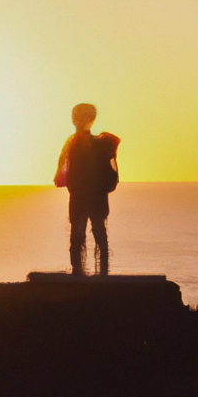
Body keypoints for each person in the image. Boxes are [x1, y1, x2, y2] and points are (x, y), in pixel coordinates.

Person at [54, 103, 119, 276]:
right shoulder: (99, 144)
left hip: (83, 196)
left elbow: (62, 173)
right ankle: (95, 273)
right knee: (91, 233)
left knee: (82, 234)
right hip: (91, 196)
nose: (77, 120)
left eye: (80, 117)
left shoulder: (76, 144)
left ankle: (82, 272)